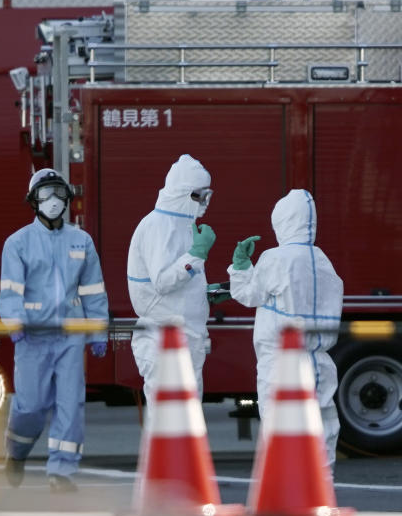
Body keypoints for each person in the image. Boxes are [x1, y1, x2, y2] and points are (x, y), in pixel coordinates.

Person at [0, 168, 109, 493]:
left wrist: (98, 331)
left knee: (70, 403)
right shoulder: (18, 243)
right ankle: (16, 451)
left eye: (58, 193)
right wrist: (15, 323)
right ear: (34, 202)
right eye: (45, 194)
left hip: (71, 335)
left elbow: (93, 290)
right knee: (30, 405)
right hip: (32, 336)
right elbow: (9, 291)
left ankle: (61, 471)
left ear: (68, 198)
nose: (53, 201)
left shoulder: (81, 241)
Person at [228, 189, 343, 470]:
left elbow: (248, 295)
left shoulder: (275, 258)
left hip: (279, 362)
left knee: (280, 433)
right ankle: (321, 497)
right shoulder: (323, 260)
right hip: (318, 361)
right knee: (322, 433)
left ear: (281, 221)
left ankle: (285, 500)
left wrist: (241, 266)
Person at [127, 154, 216, 407]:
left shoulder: (182, 225)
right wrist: (196, 255)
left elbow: (182, 280)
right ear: (183, 193)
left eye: (208, 195)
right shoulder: (159, 225)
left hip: (186, 337)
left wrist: (205, 292)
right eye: (201, 195)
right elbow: (163, 282)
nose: (206, 203)